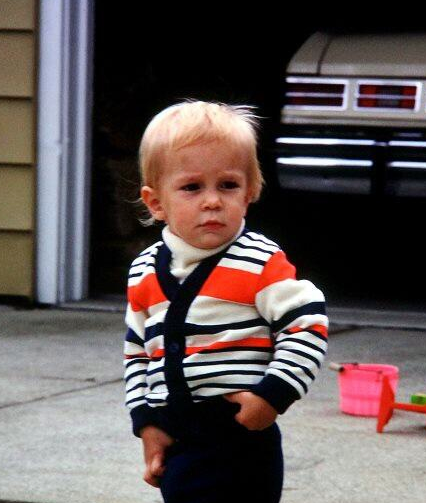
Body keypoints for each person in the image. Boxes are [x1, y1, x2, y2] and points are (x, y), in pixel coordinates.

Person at [123, 100, 328, 503]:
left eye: (228, 185)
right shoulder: (144, 270)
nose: (212, 201)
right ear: (156, 202)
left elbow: (307, 325)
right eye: (192, 187)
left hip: (241, 435)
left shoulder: (260, 261)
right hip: (179, 438)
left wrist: (272, 394)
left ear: (249, 192)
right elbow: (137, 352)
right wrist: (147, 422)